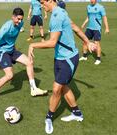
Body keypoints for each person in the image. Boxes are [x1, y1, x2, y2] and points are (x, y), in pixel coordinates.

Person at [28, 0, 96, 134]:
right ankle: (77, 113)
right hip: (59, 58)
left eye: (43, 2)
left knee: (56, 89)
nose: (42, 6)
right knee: (64, 86)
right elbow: (75, 27)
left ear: (51, 1)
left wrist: (32, 45)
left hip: (68, 59)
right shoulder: (61, 12)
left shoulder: (57, 16)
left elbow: (52, 42)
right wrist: (87, 42)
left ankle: (49, 117)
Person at [0, 8, 47, 104]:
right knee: (9, 75)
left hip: (12, 50)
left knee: (29, 62)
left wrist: (14, 49)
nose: (19, 21)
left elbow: (13, 38)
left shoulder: (21, 24)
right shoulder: (6, 27)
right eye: (18, 19)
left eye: (21, 19)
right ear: (13, 17)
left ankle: (34, 89)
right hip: (2, 52)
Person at [79, 0, 109, 65]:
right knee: (85, 41)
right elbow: (89, 17)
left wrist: (107, 28)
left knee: (96, 43)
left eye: (93, 0)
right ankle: (84, 56)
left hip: (97, 29)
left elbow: (104, 17)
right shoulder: (88, 7)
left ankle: (98, 59)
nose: (91, 1)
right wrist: (84, 24)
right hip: (89, 28)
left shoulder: (101, 7)